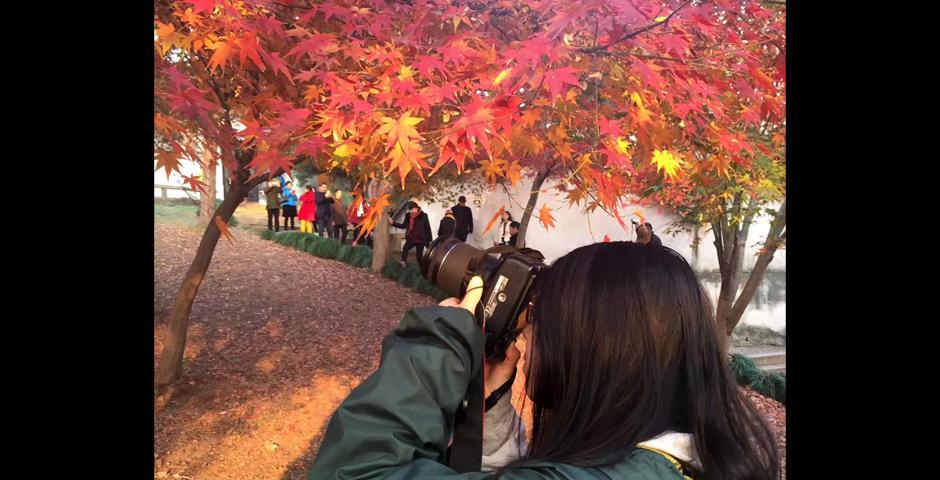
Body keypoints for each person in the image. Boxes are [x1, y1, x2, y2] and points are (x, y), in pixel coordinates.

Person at [308, 242, 780, 479]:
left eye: (538, 322)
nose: (527, 338)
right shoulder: (688, 457)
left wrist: (442, 339)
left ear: (595, 349)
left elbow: (359, 469)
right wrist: (491, 407)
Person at [388, 201, 432, 268]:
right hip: (411, 238)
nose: (411, 211)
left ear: (416, 208)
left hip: (421, 240)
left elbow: (428, 228)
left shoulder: (424, 216)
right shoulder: (408, 216)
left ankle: (422, 269)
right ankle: (404, 263)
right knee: (405, 248)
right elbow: (403, 226)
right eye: (410, 210)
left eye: (412, 209)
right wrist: (393, 223)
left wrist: (430, 240)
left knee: (419, 257)